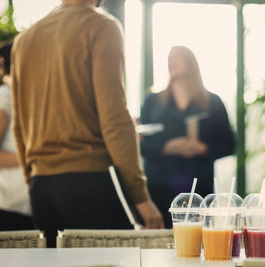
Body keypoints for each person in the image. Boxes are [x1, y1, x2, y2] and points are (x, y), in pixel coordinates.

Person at [11, 0, 163, 247]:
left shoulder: (25, 40)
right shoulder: (101, 26)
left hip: (42, 187)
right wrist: (140, 197)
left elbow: (20, 128)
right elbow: (114, 117)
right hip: (90, 181)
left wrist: (34, 181)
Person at [140, 46, 235, 228]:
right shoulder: (152, 102)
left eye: (176, 57)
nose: (171, 61)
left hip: (199, 189)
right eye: (169, 57)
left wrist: (202, 148)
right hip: (159, 188)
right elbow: (139, 145)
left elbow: (229, 144)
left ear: (191, 62)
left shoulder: (213, 102)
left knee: (200, 246)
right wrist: (167, 147)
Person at [0, 41, 33, 230]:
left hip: (25, 204)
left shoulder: (24, 95)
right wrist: (31, 157)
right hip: (8, 205)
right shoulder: (5, 96)